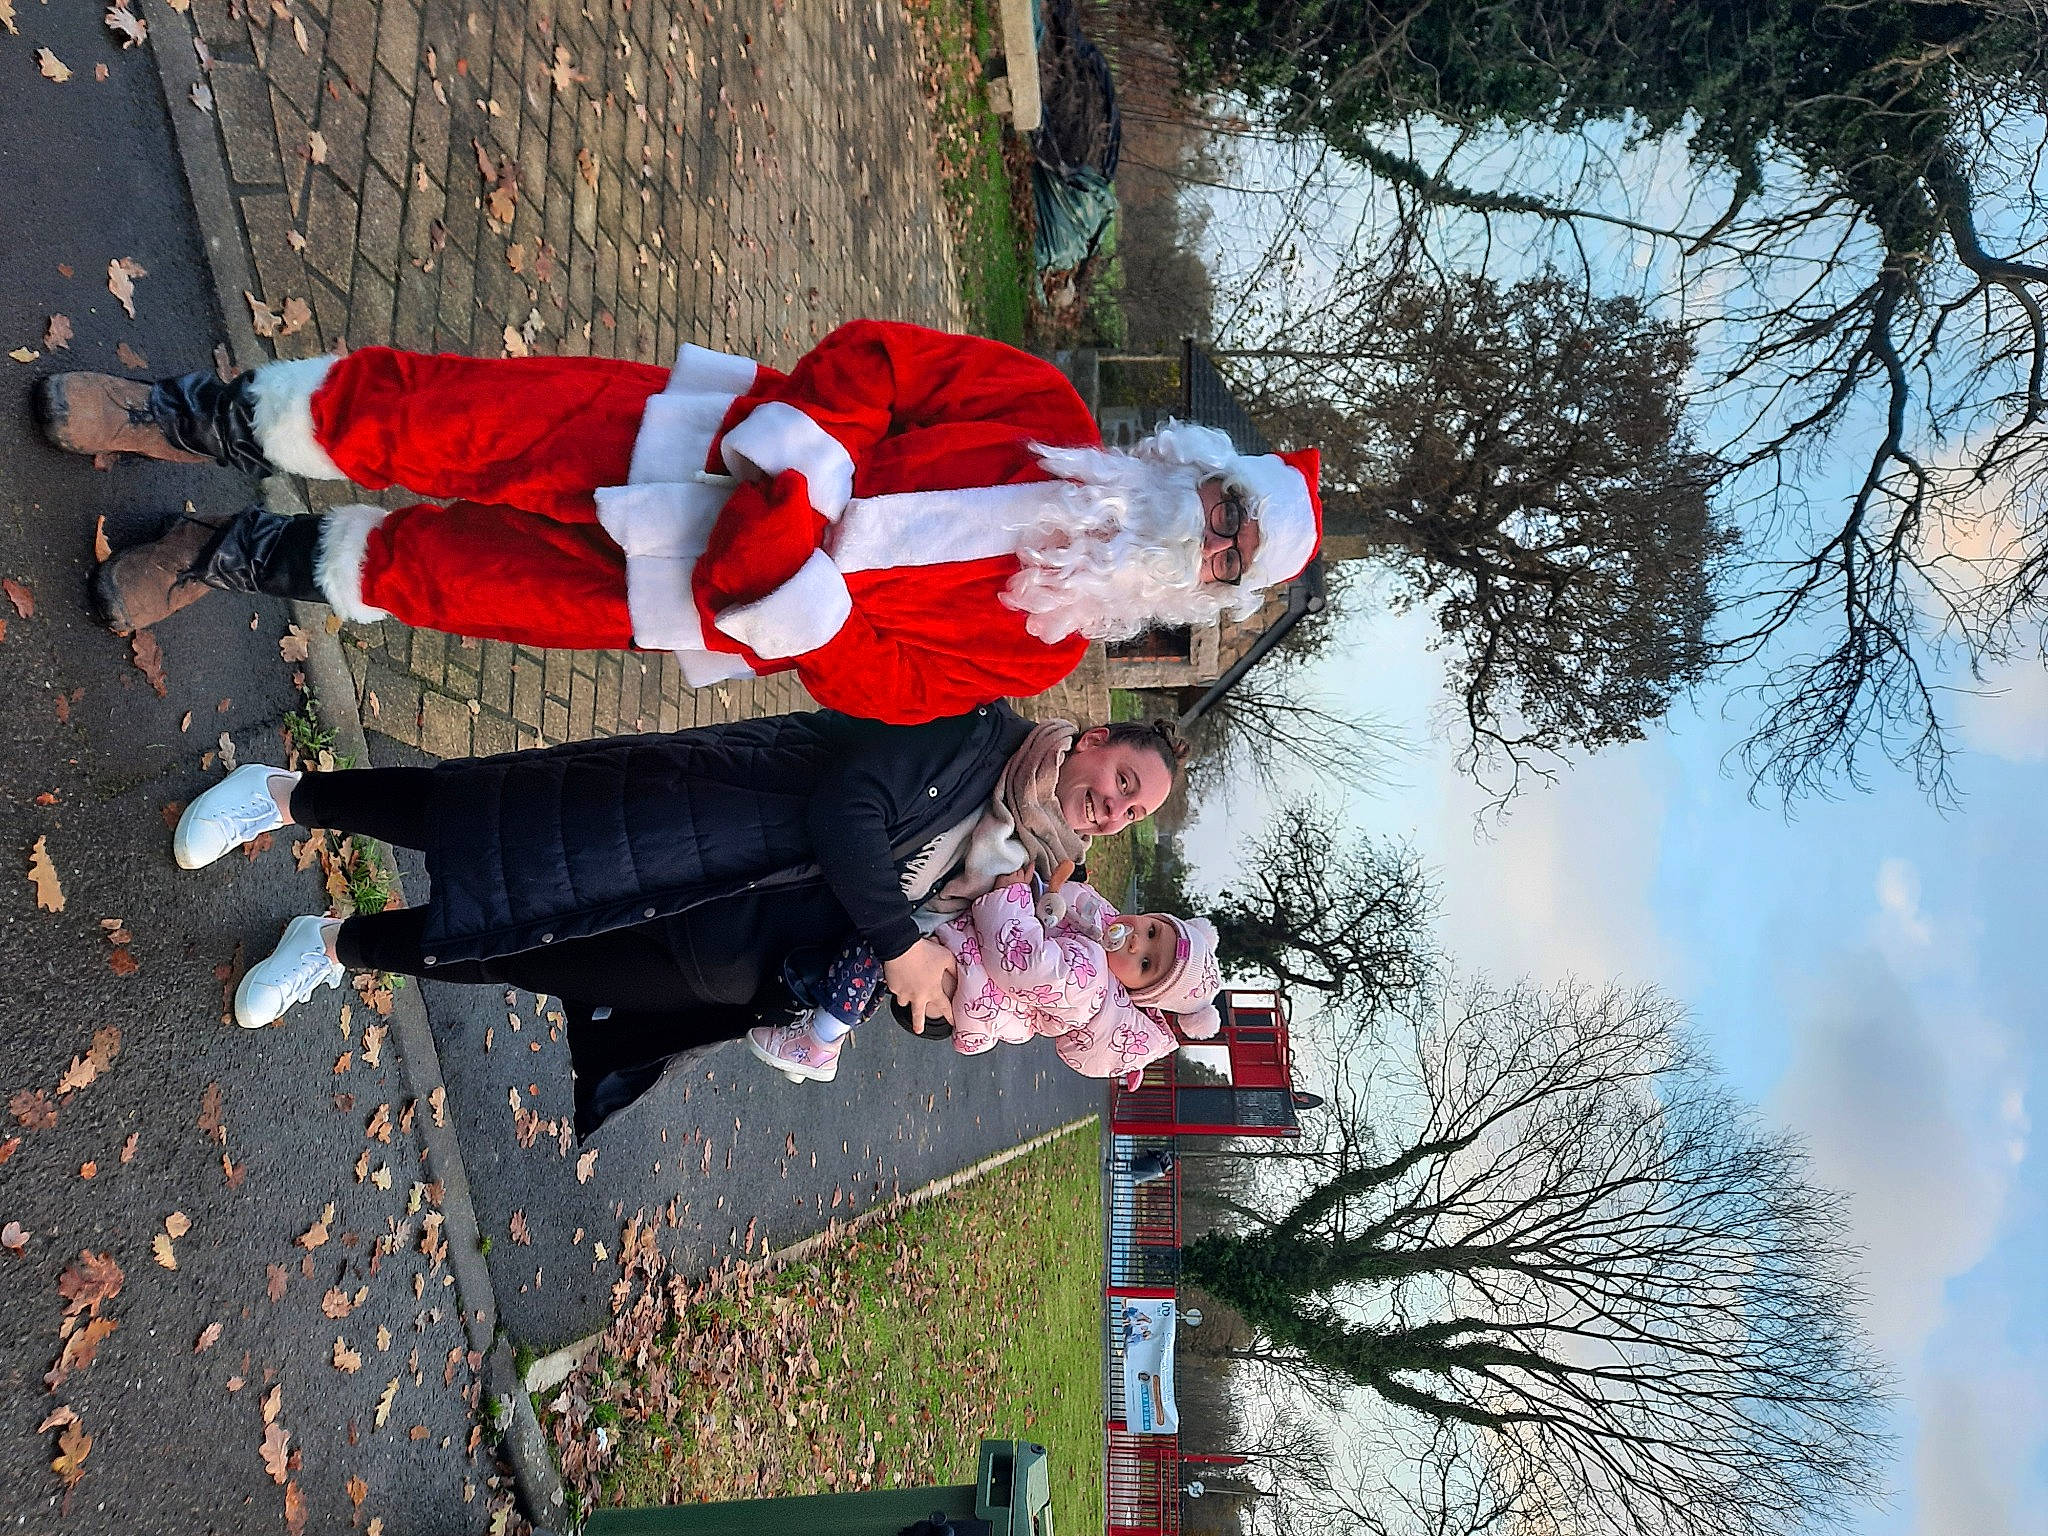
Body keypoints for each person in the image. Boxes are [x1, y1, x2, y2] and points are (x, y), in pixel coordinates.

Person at [37, 321, 1323, 724]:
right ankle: (183, 414)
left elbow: (886, 687)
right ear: (1196, 466)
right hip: (682, 443)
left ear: (1203, 590)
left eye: (1224, 559)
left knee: (440, 578)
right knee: (435, 418)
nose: (1203, 538)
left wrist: (796, 599)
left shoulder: (1045, 650)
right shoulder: (1039, 402)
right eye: (1222, 511)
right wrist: (802, 489)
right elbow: (874, 360)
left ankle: (218, 552)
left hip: (695, 602)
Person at [168, 704, 1185, 1117]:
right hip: (696, 832)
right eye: (1123, 775)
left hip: (726, 957)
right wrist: (894, 943)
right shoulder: (976, 735)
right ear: (1092, 738)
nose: (1116, 802)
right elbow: (848, 809)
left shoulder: (1035, 877)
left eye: (1133, 810)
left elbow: (927, 992)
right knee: (480, 822)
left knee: (514, 951)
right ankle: (281, 796)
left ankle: (332, 945)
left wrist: (942, 1001)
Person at [745, 875, 1221, 1086]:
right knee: (880, 975)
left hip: (973, 980)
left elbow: (1021, 959)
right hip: (972, 969)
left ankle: (821, 1041)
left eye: (1146, 964)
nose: (1137, 943)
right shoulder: (1096, 939)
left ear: (1139, 991)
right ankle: (820, 1011)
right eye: (1153, 930)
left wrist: (1012, 891)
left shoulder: (1092, 983)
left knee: (883, 947)